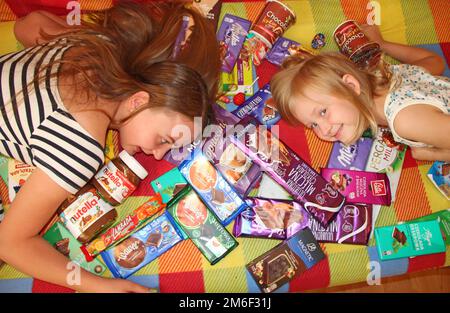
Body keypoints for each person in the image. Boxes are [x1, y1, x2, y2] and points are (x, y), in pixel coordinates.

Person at [0, 1, 220, 292]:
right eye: (165, 140)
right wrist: (101, 285)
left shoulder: (97, 49)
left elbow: (25, 25)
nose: (157, 154)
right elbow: (11, 243)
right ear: (139, 100)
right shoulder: (79, 149)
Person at [270, 24, 449, 161]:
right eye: (313, 125)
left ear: (351, 86)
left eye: (323, 112)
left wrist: (428, 153)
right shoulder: (385, 76)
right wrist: (382, 44)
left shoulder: (405, 121)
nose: (324, 130)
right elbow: (435, 62)